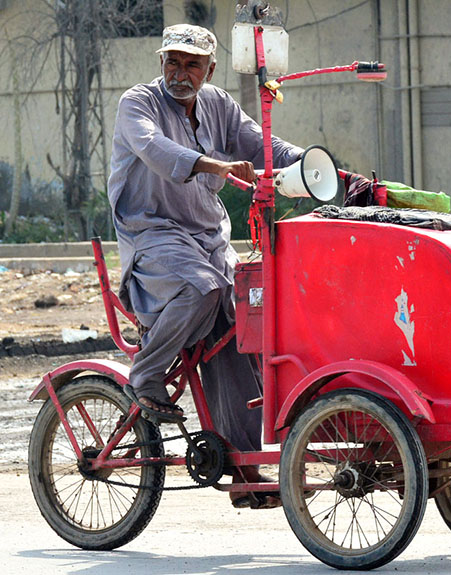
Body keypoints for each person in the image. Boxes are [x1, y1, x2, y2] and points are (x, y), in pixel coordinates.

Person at [107, 24, 302, 507]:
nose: (180, 72)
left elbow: (261, 144)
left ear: (209, 70)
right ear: (161, 64)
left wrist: (317, 166)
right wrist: (215, 165)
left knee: (243, 332)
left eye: (191, 64)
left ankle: (245, 473)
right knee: (203, 290)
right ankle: (146, 375)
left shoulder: (217, 104)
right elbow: (154, 149)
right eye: (172, 62)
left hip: (208, 239)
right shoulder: (138, 103)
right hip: (153, 236)